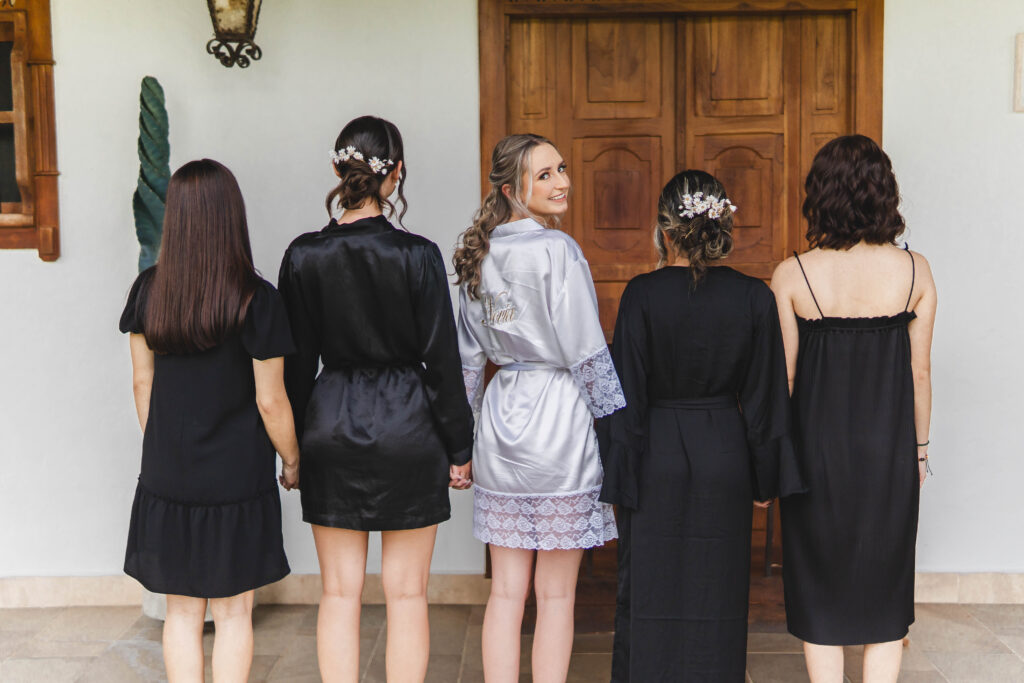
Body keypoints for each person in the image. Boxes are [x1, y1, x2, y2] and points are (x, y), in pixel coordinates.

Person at [278, 115, 473, 683]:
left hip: (330, 425)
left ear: (337, 168)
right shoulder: (419, 254)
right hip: (408, 428)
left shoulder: (303, 255)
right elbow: (442, 362)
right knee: (407, 594)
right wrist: (459, 447)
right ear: (397, 173)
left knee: (338, 593)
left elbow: (295, 368)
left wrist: (291, 451)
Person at [600, 170, 805, 682]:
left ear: (664, 229)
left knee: (650, 583)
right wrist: (765, 476)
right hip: (724, 454)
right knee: (719, 586)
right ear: (723, 224)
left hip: (656, 454)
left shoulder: (642, 294)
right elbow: (766, 395)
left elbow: (625, 396)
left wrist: (619, 476)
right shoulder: (753, 297)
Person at [119, 159, 300, 683]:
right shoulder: (256, 299)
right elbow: (271, 401)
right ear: (230, 217)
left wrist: (165, 450)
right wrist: (292, 459)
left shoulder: (149, 291)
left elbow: (142, 384)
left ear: (175, 217)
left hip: (169, 473)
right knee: (234, 612)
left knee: (181, 612)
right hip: (237, 479)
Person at [454, 133, 624, 683]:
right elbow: (586, 349)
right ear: (511, 189)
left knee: (505, 592)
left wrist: (463, 442)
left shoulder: (479, 256)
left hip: (501, 420)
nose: (562, 182)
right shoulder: (558, 250)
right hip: (559, 421)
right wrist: (616, 427)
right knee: (556, 595)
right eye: (545, 174)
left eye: (562, 169)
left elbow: (467, 364)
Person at [771, 134, 936, 683]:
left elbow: (785, 378)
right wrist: (920, 451)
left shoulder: (792, 274)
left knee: (819, 586)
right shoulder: (916, 271)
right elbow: (919, 373)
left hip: (814, 452)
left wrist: (775, 456)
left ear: (820, 194)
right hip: (889, 452)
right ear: (884, 192)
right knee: (884, 590)